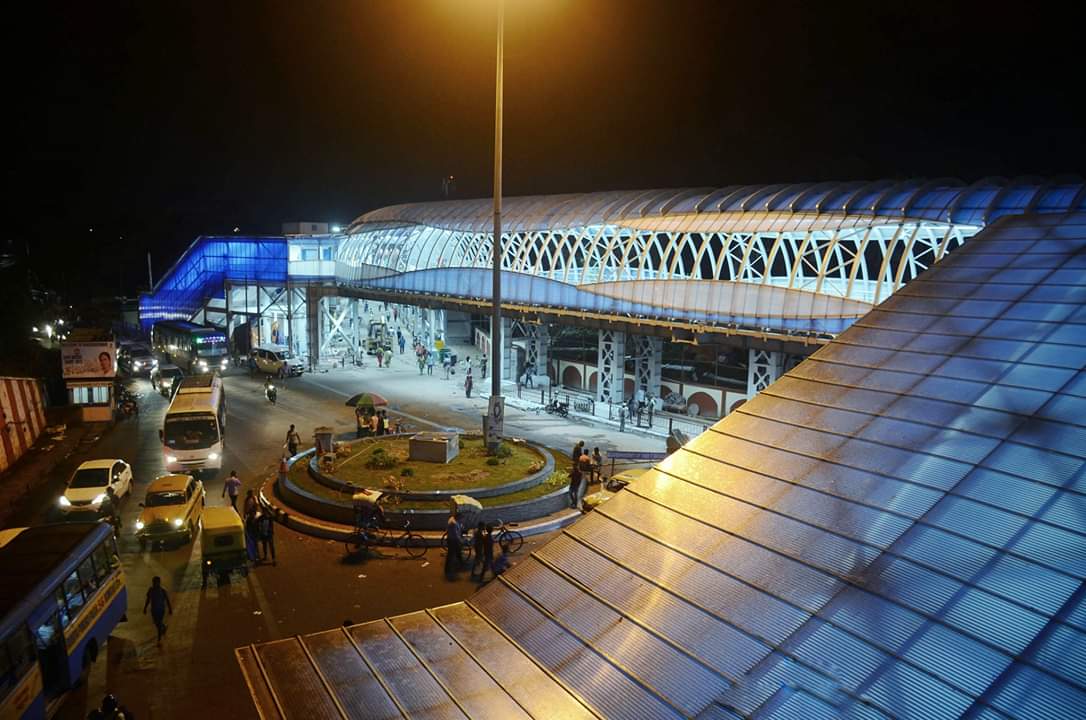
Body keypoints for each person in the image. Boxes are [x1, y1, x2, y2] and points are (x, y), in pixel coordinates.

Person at [143, 576, 172, 645]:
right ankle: (164, 627)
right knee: (157, 623)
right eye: (154, 582)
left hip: (161, 610)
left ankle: (159, 639)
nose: (155, 584)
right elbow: (148, 599)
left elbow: (167, 600)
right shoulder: (150, 590)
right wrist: (145, 608)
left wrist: (170, 609)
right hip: (154, 610)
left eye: (156, 582)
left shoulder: (163, 590)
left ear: (159, 583)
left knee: (158, 625)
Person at [444, 513, 462, 578]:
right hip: (452, 540)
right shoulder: (453, 523)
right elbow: (455, 534)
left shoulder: (452, 520)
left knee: (454, 553)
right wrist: (460, 540)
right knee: (450, 555)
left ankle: (458, 564)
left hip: (451, 539)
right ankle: (448, 570)